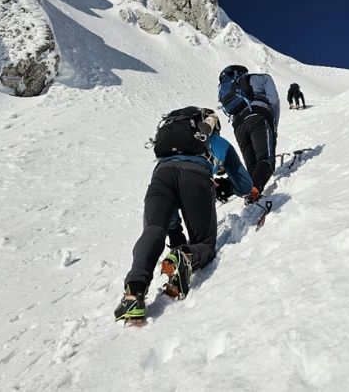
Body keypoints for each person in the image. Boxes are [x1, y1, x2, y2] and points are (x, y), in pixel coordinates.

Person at [114, 107, 252, 325]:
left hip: (161, 176)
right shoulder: (219, 143)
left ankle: (134, 292)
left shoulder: (168, 148)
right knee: (204, 244)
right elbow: (245, 185)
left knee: (153, 230)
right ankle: (186, 257)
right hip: (196, 178)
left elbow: (169, 209)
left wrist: (175, 233)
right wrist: (226, 185)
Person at [217, 65, 280, 202]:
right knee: (266, 159)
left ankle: (246, 192)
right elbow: (274, 101)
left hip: (238, 125)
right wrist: (274, 124)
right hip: (258, 116)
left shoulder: (229, 89)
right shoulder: (262, 78)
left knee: (252, 165)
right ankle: (249, 189)